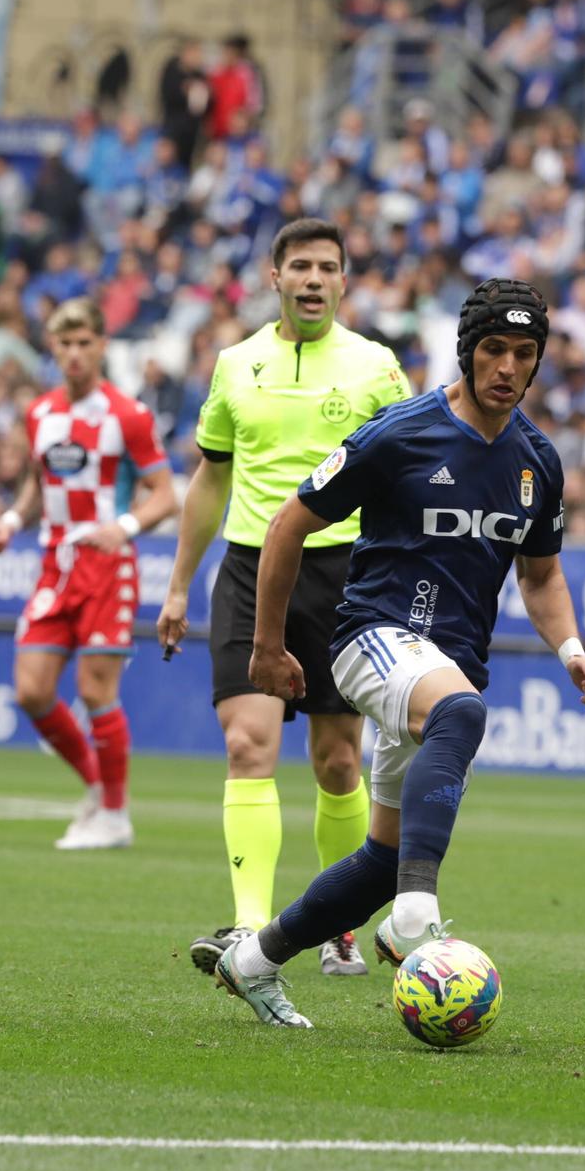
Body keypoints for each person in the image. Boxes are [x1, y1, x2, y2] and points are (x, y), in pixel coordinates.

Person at [213, 278, 585, 1028]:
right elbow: (286, 527)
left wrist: (571, 651)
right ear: (467, 350)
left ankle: (254, 960)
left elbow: (542, 573)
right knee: (461, 711)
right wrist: (266, 647)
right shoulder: (399, 433)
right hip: (372, 637)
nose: (507, 366)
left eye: (524, 354)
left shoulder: (538, 461)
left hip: (443, 660)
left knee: (379, 862)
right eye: (494, 348)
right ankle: (416, 919)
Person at [160, 218, 412, 978]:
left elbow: (407, 474)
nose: (311, 278)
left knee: (338, 762)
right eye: (298, 265)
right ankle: (248, 925)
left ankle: (335, 925)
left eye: (326, 267)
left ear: (344, 280)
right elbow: (210, 477)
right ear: (274, 277)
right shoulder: (235, 365)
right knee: (248, 746)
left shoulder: (376, 368)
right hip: (247, 568)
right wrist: (177, 584)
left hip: (345, 577)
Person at [0, 298, 177, 850]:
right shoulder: (40, 413)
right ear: (53, 347)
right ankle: (97, 785)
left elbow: (164, 494)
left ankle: (115, 814)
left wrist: (123, 526)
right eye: (64, 344)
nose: (74, 353)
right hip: (56, 564)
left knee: (96, 691)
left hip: (107, 565)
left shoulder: (127, 415)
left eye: (84, 343)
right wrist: (11, 519)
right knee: (31, 690)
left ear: (101, 345)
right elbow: (37, 485)